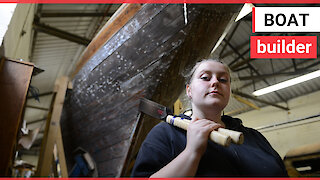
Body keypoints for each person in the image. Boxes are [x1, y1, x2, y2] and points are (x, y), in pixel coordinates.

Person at [131, 59, 288, 177]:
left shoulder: (254, 137)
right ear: (189, 90)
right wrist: (192, 152)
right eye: (205, 77)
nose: (215, 82)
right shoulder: (165, 134)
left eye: (223, 79)